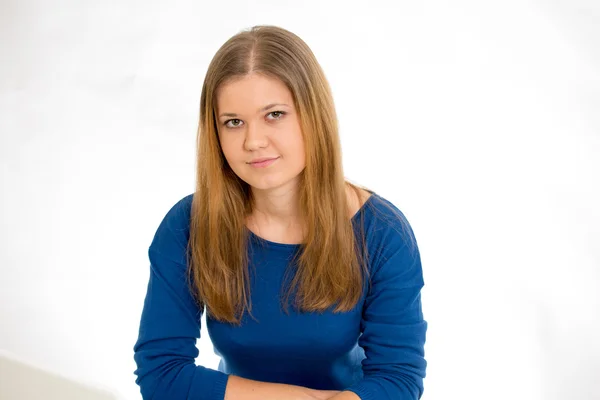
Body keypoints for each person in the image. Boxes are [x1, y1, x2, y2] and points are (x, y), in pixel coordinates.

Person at [133, 25, 427, 400]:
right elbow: (162, 374)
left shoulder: (382, 232)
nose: (253, 141)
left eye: (274, 114)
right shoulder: (189, 225)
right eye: (233, 122)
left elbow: (398, 378)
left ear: (313, 115)